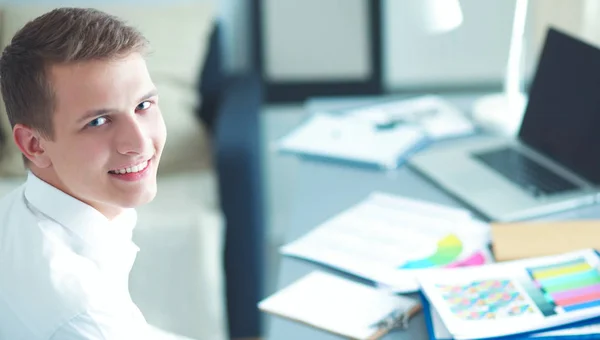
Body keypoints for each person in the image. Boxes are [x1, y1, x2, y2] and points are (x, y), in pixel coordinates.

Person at [0, 7, 193, 340]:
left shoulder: (19, 214)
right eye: (98, 122)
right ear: (34, 144)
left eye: (143, 106)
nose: (138, 142)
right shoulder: (84, 318)